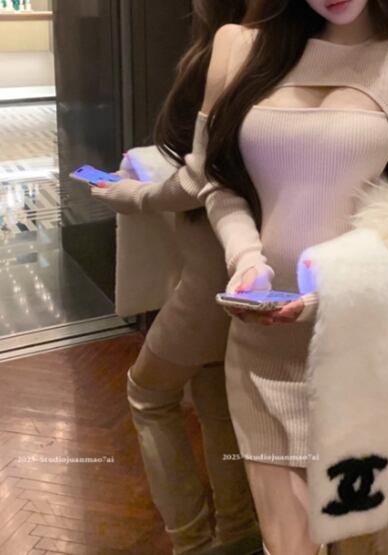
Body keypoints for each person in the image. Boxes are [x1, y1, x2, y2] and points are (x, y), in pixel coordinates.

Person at [93, 1, 388, 553]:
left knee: (357, 541)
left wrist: (331, 293)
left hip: (358, 343)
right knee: (286, 544)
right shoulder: (239, 46)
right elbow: (216, 181)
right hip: (262, 341)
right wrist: (247, 259)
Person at [91, 2, 264, 555]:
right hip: (250, 270)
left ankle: (191, 541)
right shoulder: (282, 48)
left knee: (148, 393)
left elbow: (202, 178)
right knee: (215, 397)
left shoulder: (226, 51)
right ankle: (238, 533)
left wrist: (131, 194)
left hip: (214, 272)